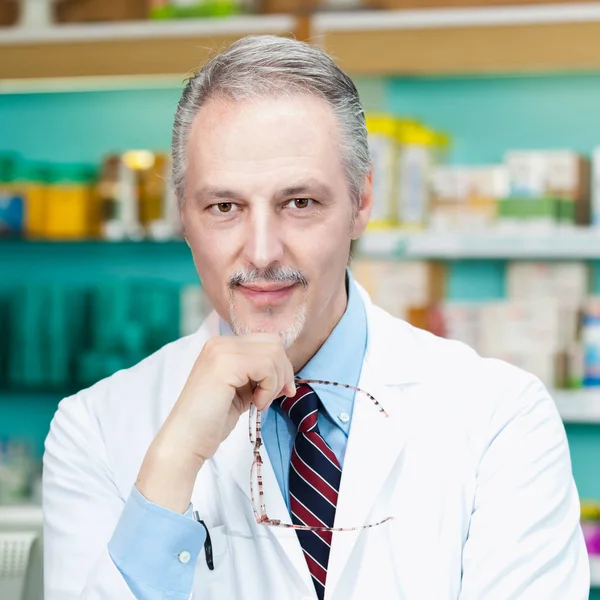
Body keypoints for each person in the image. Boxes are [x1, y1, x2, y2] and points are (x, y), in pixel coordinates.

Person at [43, 35, 589, 600]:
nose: (260, 251)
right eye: (224, 207)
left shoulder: (500, 417)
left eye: (299, 202)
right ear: (183, 215)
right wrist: (174, 462)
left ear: (361, 201)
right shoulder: (97, 431)